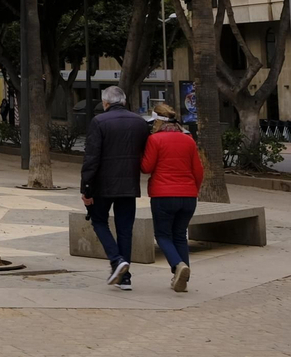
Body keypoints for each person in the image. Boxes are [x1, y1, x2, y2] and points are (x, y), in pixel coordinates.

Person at [80, 85, 151, 291]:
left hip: (103, 185)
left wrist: (86, 188)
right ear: (124, 101)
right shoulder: (139, 123)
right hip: (129, 184)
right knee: (125, 229)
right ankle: (125, 278)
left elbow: (91, 158)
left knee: (99, 221)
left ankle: (116, 260)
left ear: (105, 103)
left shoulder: (99, 121)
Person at [141, 102, 202, 293]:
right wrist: (193, 190)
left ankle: (178, 265)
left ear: (156, 121)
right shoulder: (188, 139)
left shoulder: (155, 140)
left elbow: (146, 167)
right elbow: (198, 170)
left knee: (163, 235)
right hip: (188, 196)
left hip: (163, 195)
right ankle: (183, 277)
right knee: (180, 235)